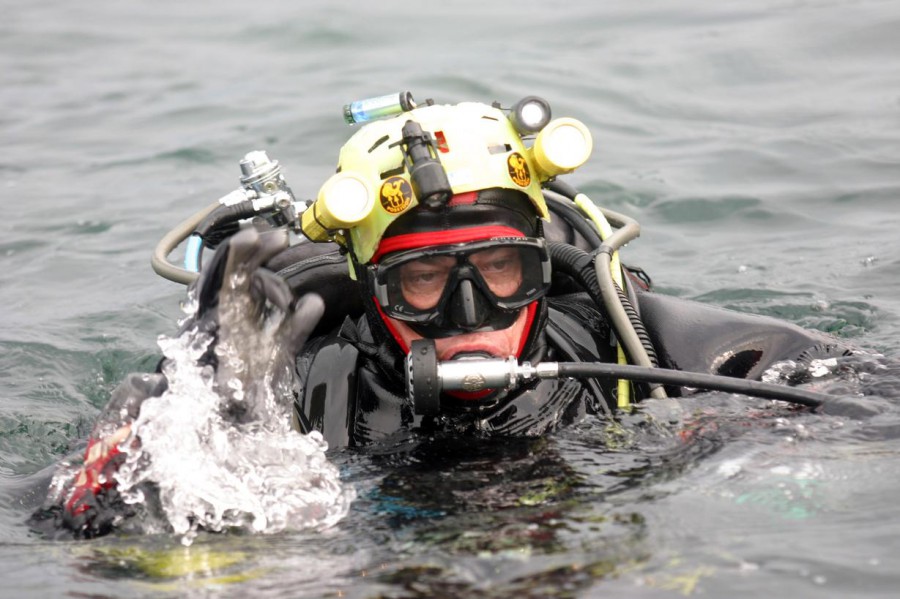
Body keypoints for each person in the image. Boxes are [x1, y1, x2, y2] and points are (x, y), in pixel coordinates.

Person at [32, 94, 850, 538]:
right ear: (370, 287)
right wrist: (200, 413)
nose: (469, 313)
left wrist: (733, 442)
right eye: (420, 280)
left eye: (500, 270)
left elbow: (858, 393)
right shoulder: (312, 379)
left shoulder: (624, 341)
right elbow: (65, 530)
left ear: (543, 266)